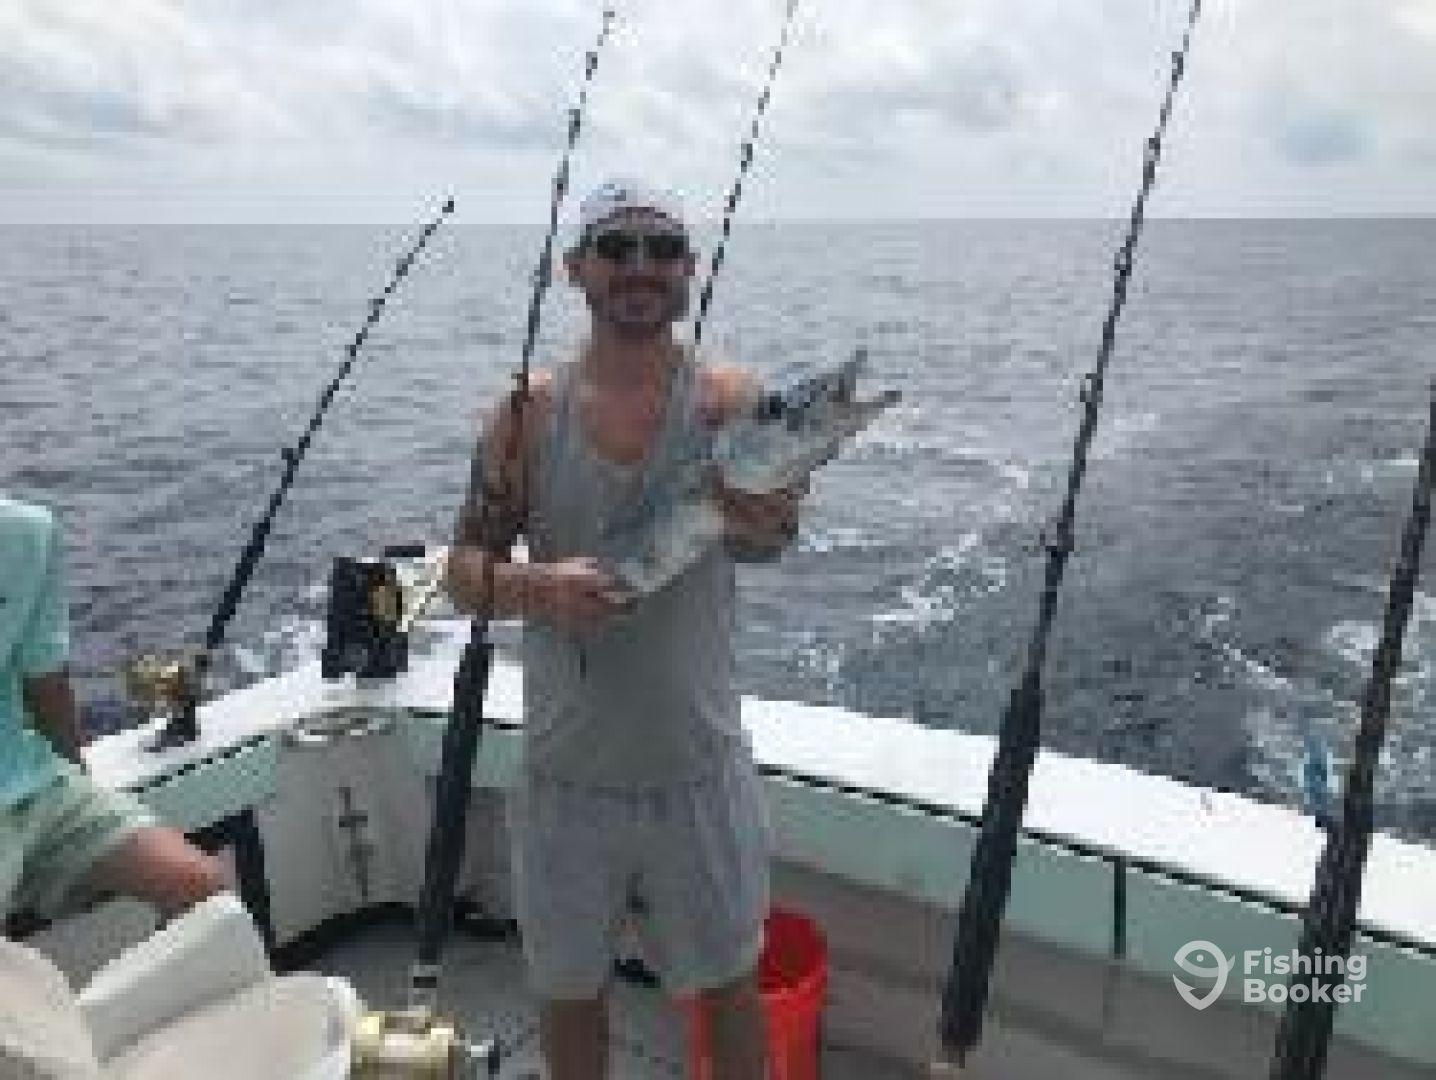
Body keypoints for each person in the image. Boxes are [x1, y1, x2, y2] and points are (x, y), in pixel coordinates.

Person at [445, 178, 805, 1080]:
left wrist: (768, 517)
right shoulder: (526, 417)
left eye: (662, 247)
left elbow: (772, 539)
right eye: (617, 246)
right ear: (577, 270)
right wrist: (538, 587)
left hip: (698, 767)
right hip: (568, 776)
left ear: (689, 273)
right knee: (571, 998)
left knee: (728, 988)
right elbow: (461, 574)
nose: (640, 265)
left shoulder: (730, 402)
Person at [0, 495, 229, 927]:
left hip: (37, 783)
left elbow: (45, 683)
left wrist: (81, 799)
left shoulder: (29, 532)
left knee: (203, 893)